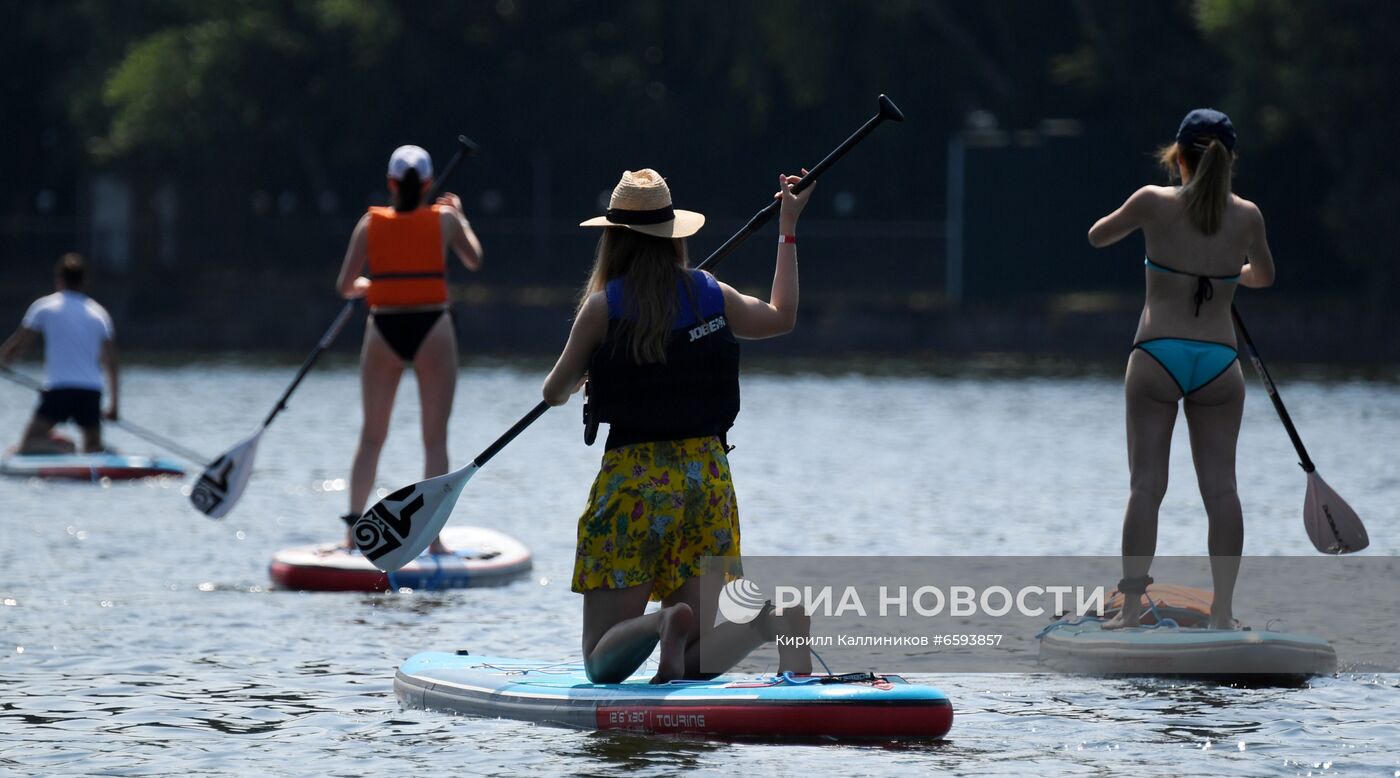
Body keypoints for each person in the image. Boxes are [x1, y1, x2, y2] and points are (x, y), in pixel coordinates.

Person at [542, 168, 813, 684]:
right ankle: (771, 623)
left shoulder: (602, 309)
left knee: (601, 663)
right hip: (706, 485)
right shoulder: (714, 295)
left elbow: (553, 392)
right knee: (689, 665)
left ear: (613, 241)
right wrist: (788, 225)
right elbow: (782, 316)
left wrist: (581, 377)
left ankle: (662, 621)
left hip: (634, 486)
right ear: (673, 237)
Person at [1087, 109, 1276, 629]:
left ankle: (1128, 610)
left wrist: (1152, 241)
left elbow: (1097, 236)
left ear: (1178, 156)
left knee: (1146, 487)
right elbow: (1263, 276)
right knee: (1222, 490)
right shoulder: (1248, 216)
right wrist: (1224, 272)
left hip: (1157, 357)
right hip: (1220, 363)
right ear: (1229, 160)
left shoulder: (1152, 201)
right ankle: (1224, 614)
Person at [335, 145, 483, 552]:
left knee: (371, 437)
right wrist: (461, 216)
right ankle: (433, 540)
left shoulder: (369, 224)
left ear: (391, 183)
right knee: (434, 440)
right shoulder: (447, 219)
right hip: (433, 326)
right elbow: (473, 259)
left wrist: (372, 285)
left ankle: (352, 533)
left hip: (384, 327)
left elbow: (346, 286)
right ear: (430, 183)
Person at [0, 253, 119, 454]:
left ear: (59, 279)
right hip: (91, 392)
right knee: (93, 448)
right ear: (84, 281)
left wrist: (3, 361)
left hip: (60, 391)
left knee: (28, 444)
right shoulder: (99, 313)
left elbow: (18, 346)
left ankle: (65, 449)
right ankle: (93, 453)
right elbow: (111, 363)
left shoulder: (43, 307)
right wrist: (114, 406)